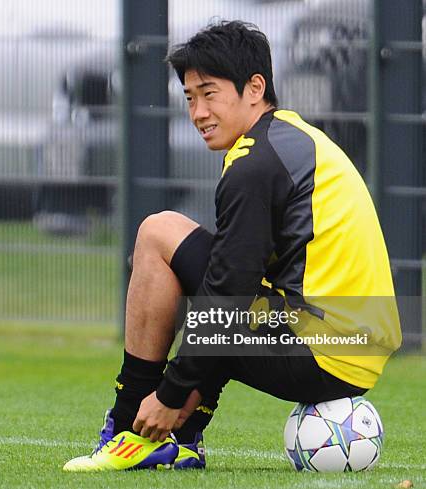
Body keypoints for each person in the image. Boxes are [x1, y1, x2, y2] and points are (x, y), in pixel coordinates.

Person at [63, 20, 401, 472]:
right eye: (189, 98)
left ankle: (130, 430)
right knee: (210, 269)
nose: (198, 111)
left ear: (255, 87)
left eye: (210, 93)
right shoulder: (292, 137)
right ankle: (182, 437)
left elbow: (229, 295)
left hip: (320, 351)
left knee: (158, 233)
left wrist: (168, 395)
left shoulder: (254, 163)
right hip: (355, 349)